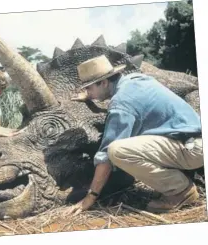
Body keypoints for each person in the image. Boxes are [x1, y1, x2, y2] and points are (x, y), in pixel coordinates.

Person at [65, 55, 203, 215]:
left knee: (116, 151)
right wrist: (90, 97)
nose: (86, 91)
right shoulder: (136, 79)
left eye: (89, 88)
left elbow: (105, 157)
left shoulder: (121, 103)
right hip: (193, 139)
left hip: (191, 149)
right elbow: (131, 106)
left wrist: (91, 197)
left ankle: (180, 190)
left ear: (103, 83)